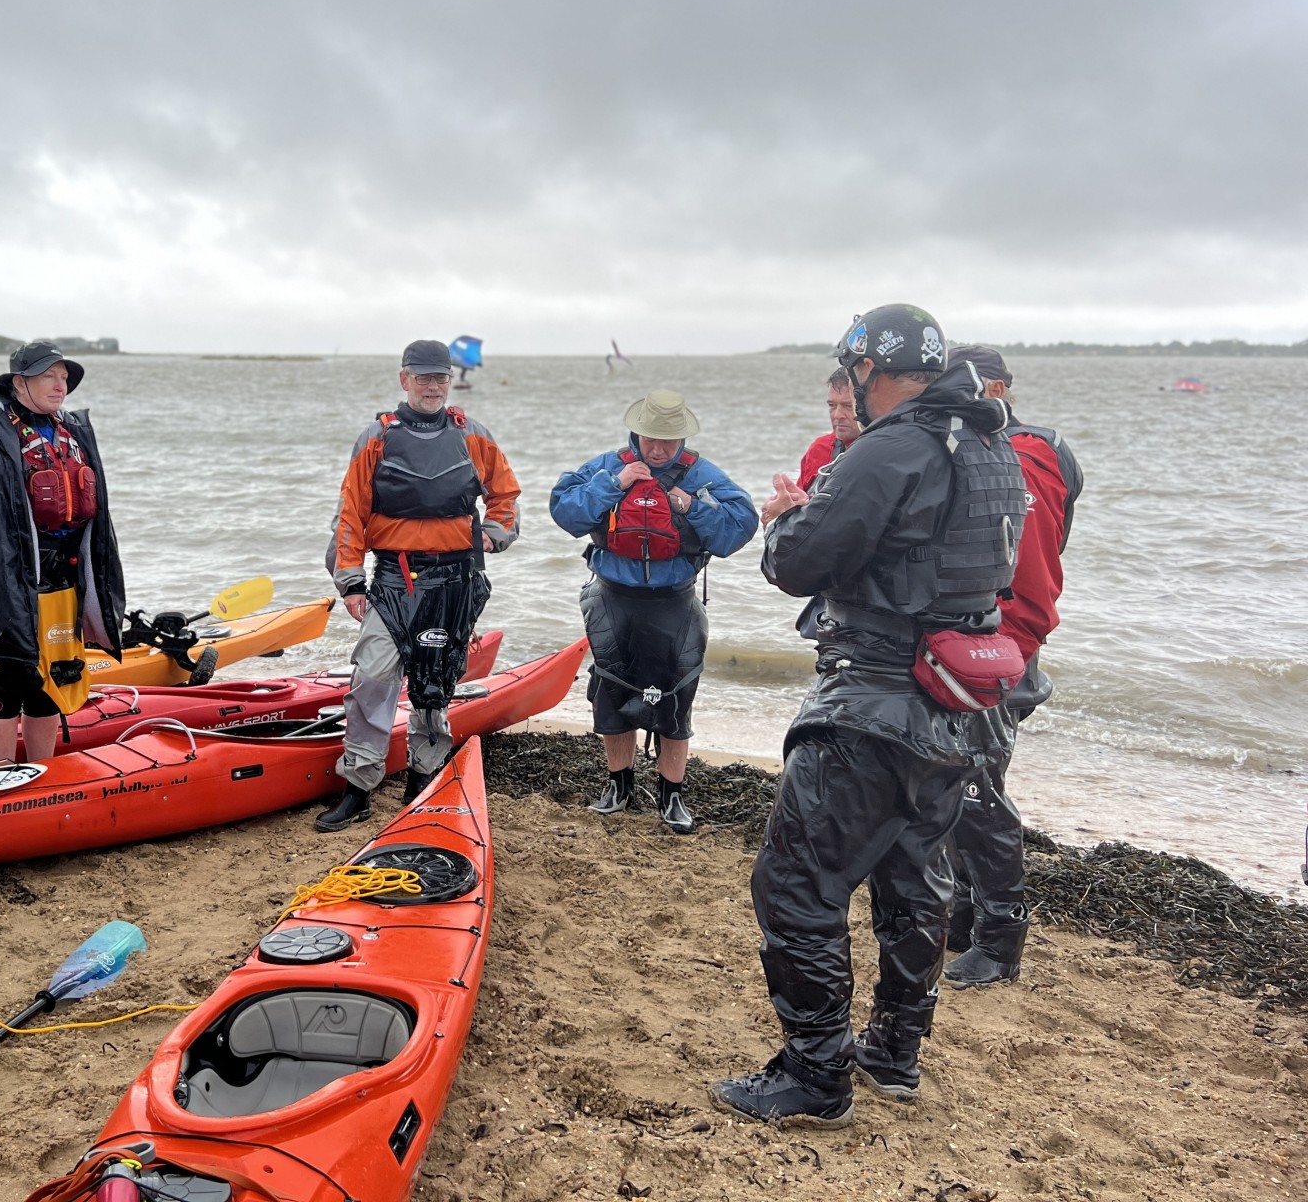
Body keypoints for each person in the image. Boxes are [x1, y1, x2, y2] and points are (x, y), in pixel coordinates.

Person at [710, 304, 1027, 1128]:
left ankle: (815, 1076)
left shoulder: (890, 448)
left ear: (868, 372)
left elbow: (803, 563)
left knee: (794, 885)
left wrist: (783, 525)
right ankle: (894, 1051)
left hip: (874, 702)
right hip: (956, 706)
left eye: (853, 375)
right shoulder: (991, 444)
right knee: (914, 880)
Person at [316, 340, 521, 831]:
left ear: (449, 382)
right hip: (391, 579)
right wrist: (349, 581)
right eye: (422, 377)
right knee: (372, 679)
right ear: (404, 379)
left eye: (440, 378)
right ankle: (358, 789)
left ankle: (421, 783)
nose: (432, 386)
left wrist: (494, 535)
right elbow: (350, 513)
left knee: (435, 687)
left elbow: (506, 494)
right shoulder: (378, 437)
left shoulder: (471, 433)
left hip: (454, 582)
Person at [549, 388, 758, 829]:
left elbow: (739, 529)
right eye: (650, 438)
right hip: (612, 597)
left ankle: (672, 796)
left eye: (668, 439)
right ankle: (618, 786)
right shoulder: (608, 466)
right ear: (635, 432)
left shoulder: (700, 474)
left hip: (674, 602)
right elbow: (565, 511)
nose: (659, 448)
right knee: (611, 693)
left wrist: (691, 504)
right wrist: (614, 486)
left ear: (682, 438)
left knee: (676, 699)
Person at [941, 344, 1081, 989]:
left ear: (993, 388)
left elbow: (1028, 569)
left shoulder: (1023, 459)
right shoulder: (992, 454)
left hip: (999, 650)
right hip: (983, 646)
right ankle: (965, 916)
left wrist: (1013, 646)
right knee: (957, 784)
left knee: (977, 789)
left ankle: (1001, 935)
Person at [0, 342, 126, 766]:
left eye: (64, 377)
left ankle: (43, 769)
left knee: (52, 679)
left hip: (64, 573)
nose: (60, 385)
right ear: (19, 382)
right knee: (7, 678)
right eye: (49, 376)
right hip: (6, 579)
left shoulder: (71, 429)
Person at [797, 367, 863, 490]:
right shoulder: (820, 448)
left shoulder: (886, 452)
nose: (837, 415)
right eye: (832, 405)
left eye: (848, 406)